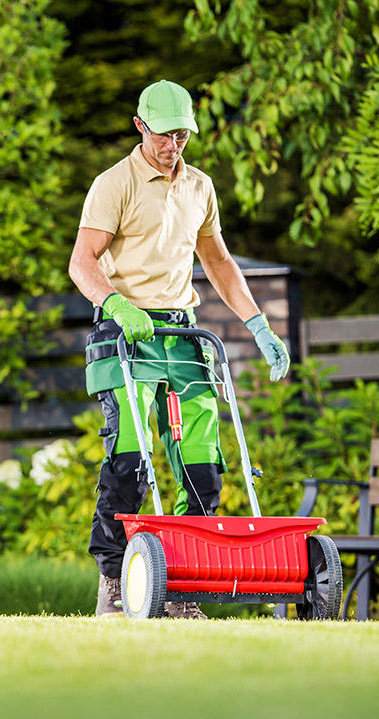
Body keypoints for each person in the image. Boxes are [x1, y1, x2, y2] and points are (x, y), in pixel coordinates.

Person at [67, 79, 290, 619]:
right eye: (165, 135)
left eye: (182, 136)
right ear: (140, 127)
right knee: (130, 455)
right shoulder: (113, 184)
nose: (174, 146)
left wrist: (259, 324)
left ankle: (182, 586)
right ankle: (115, 581)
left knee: (202, 463)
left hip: (182, 335)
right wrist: (116, 305)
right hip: (125, 335)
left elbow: (217, 263)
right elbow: (82, 262)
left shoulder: (200, 187)